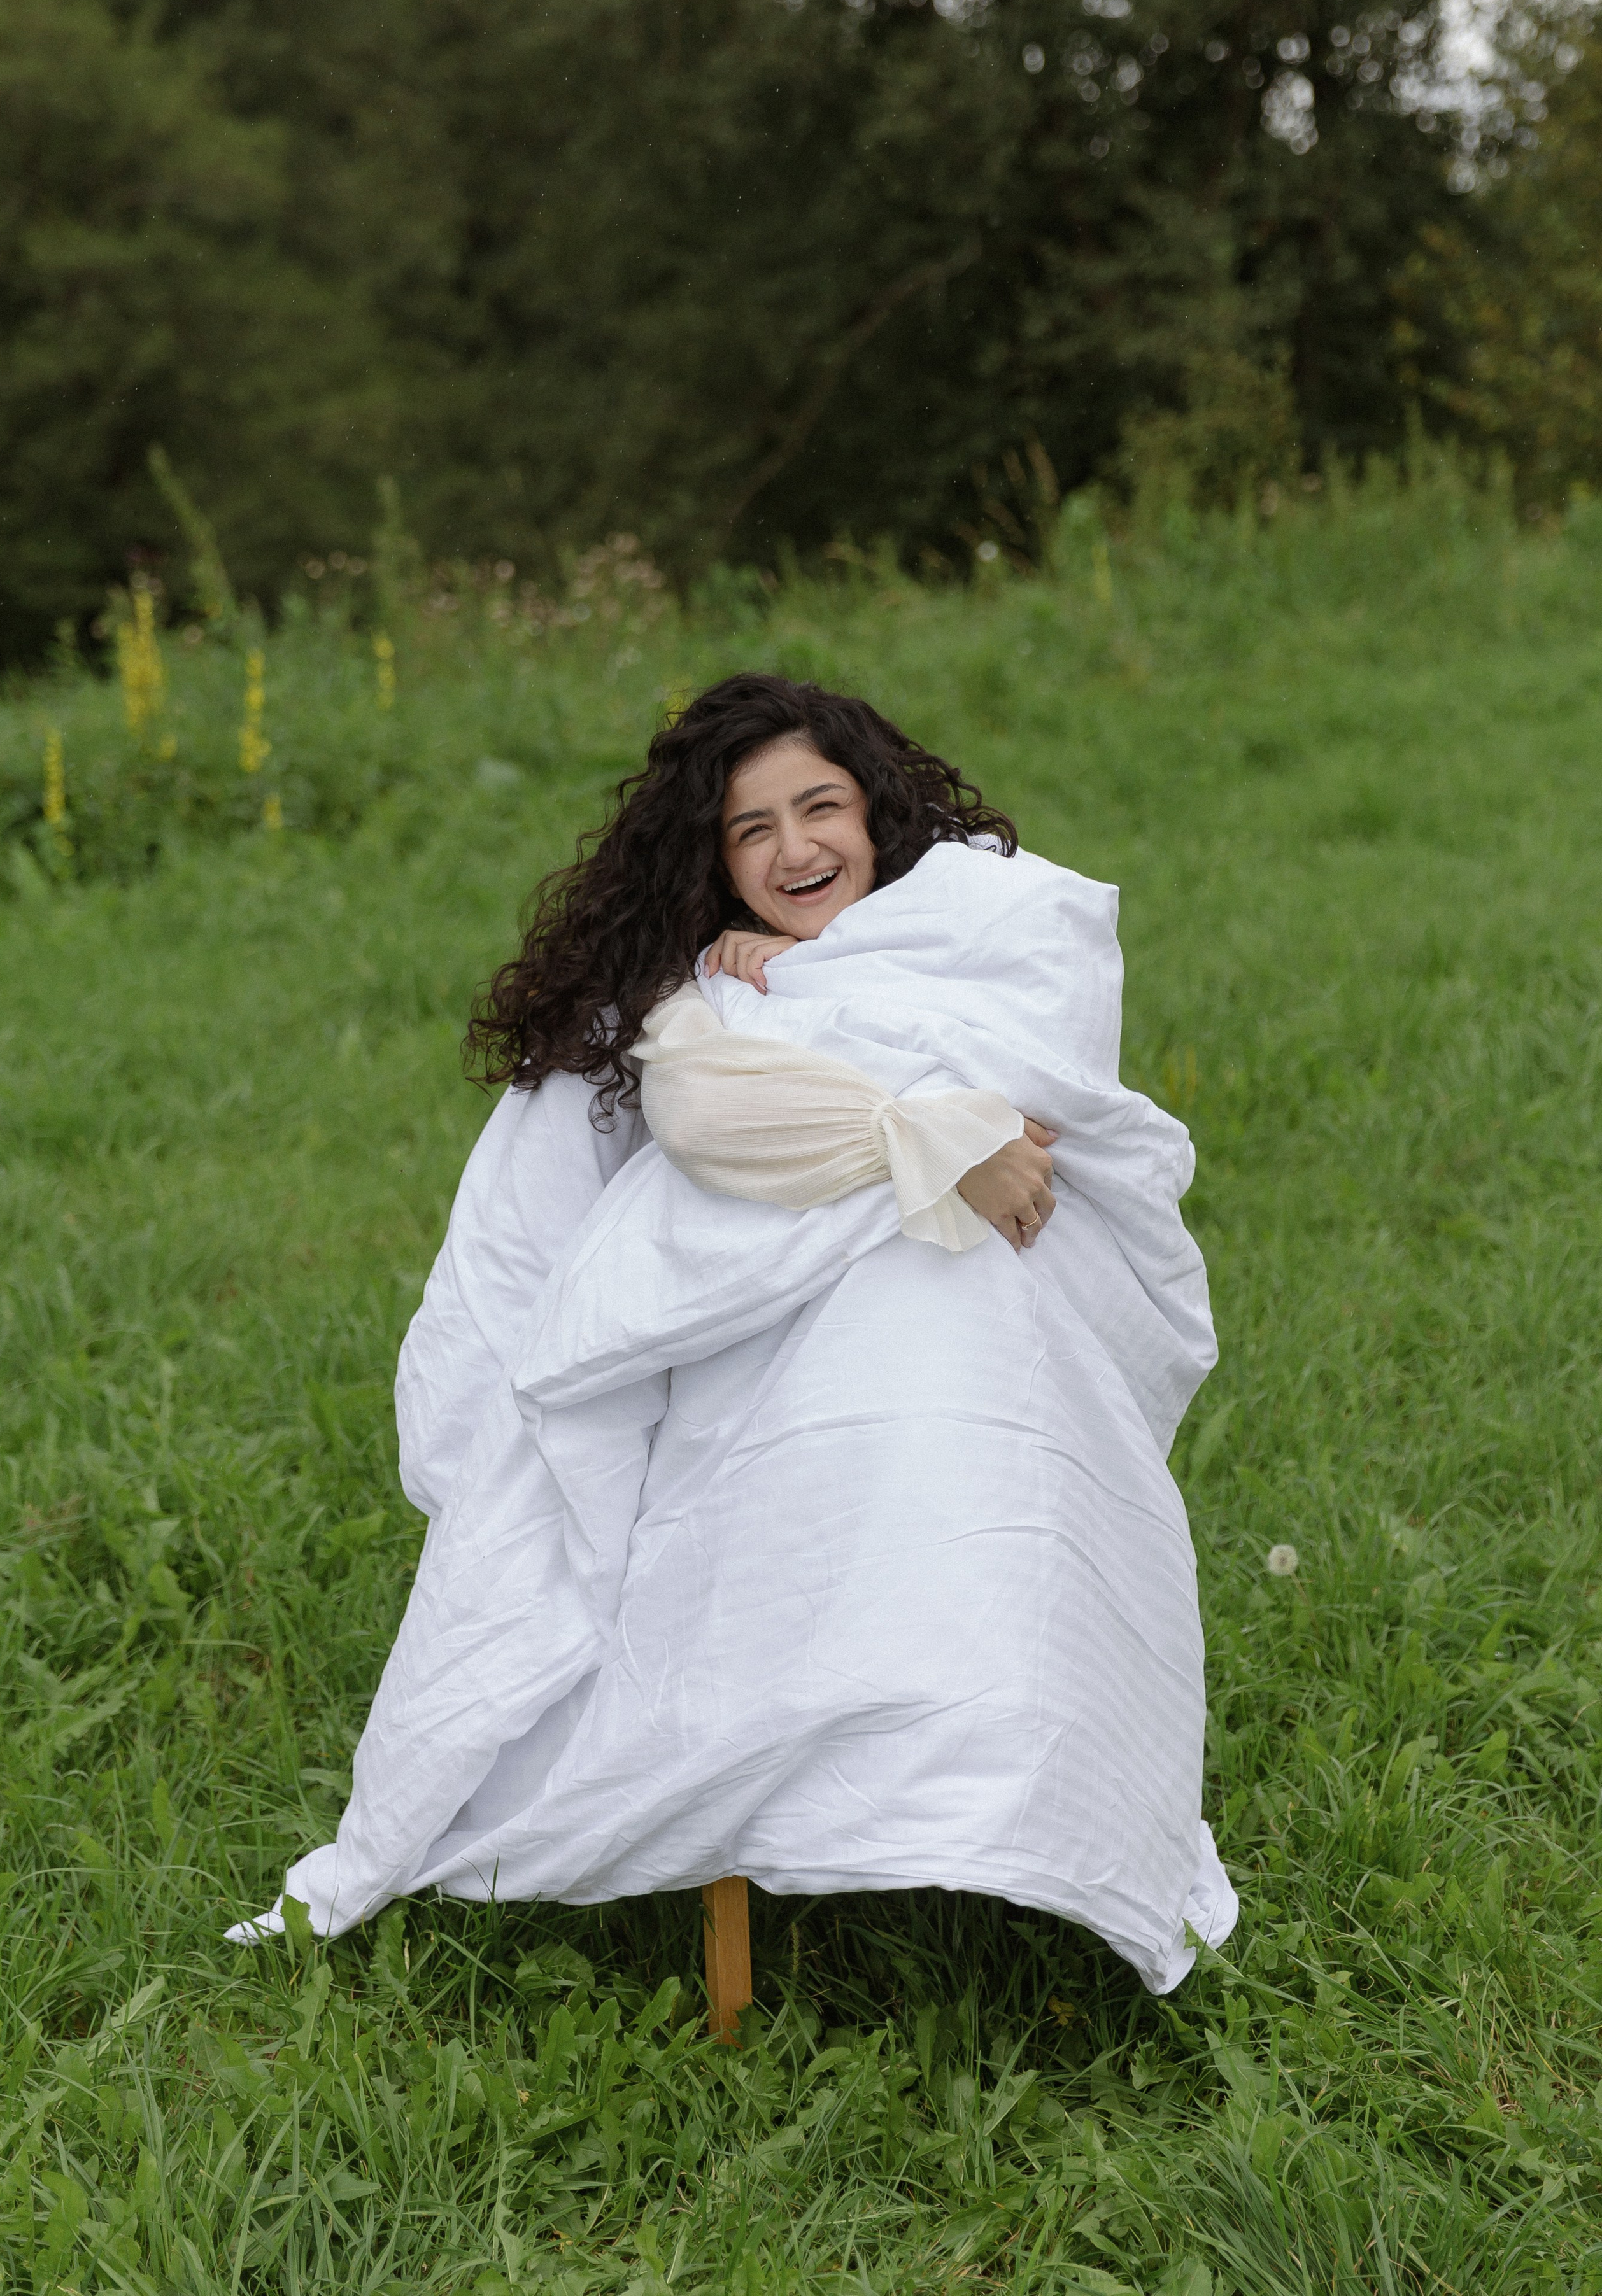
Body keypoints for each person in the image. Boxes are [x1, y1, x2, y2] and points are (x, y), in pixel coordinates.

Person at [228, 673, 1237, 1993]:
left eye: (819, 809)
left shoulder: (979, 922)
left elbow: (1045, 1070)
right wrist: (929, 1134)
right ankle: (781, 1768)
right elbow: (708, 1119)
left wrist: (914, 1089)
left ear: (877, 814)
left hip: (994, 1304)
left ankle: (1010, 1800)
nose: (794, 850)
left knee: (975, 1438)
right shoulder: (698, 988)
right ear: (710, 861)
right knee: (852, 1419)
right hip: (775, 1323)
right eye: (749, 832)